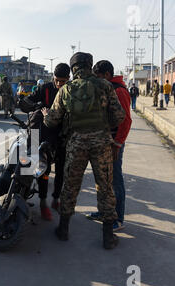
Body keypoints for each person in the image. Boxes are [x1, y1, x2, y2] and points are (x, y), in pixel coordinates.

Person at [43, 52, 126, 250]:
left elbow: (52, 121)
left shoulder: (66, 89)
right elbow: (119, 117)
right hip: (101, 145)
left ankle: (63, 230)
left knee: (70, 187)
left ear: (73, 69)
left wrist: (46, 115)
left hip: (76, 144)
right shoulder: (105, 86)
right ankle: (108, 237)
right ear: (90, 65)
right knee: (105, 187)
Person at [87, 60, 133, 232]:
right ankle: (103, 212)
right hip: (103, 142)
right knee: (103, 181)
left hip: (114, 144)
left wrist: (118, 144)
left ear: (107, 75)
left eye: (99, 77)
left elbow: (126, 121)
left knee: (115, 181)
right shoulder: (108, 88)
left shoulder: (119, 91)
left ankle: (118, 218)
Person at [21, 63, 71, 221]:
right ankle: (43, 203)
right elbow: (27, 102)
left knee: (62, 172)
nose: (59, 84)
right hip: (44, 137)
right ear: (53, 78)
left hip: (63, 137)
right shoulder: (45, 89)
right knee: (43, 171)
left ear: (68, 79)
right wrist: (35, 105)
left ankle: (56, 199)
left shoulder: (72, 91)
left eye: (62, 81)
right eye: (57, 80)